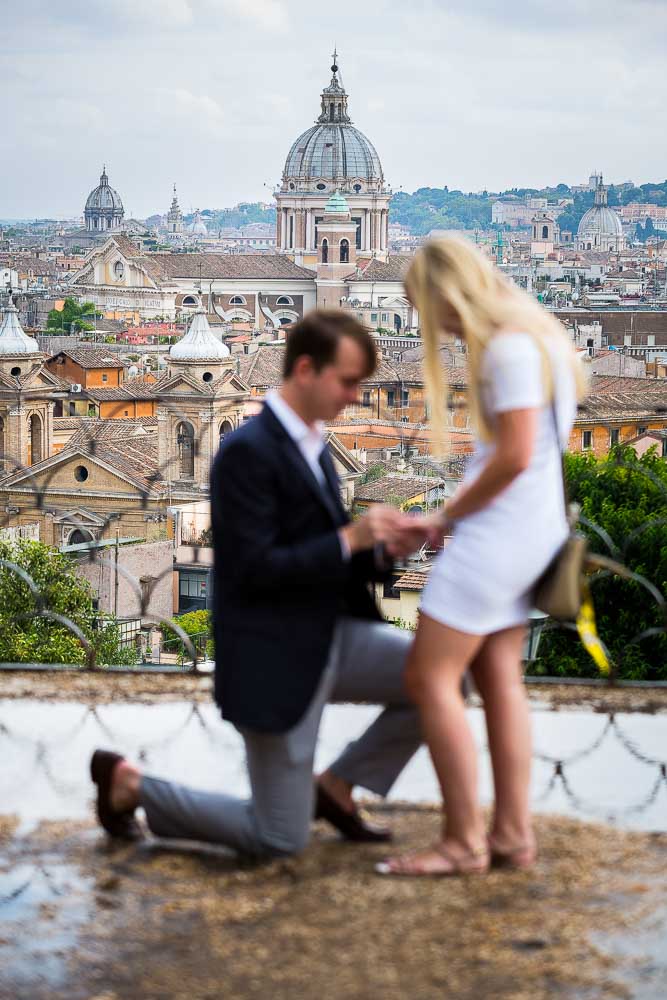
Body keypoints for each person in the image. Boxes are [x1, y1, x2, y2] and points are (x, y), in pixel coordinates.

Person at [91, 310, 429, 856]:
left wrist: (384, 548)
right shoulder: (245, 453)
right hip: (275, 658)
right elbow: (256, 571)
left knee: (441, 680)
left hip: (329, 636)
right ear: (304, 370)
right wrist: (352, 539)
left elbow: (330, 559)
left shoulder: (315, 445)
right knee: (278, 838)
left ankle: (336, 787)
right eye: (347, 382)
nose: (354, 396)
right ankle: (131, 785)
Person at [377, 237, 586, 877]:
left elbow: (516, 454)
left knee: (429, 678)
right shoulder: (543, 338)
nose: (427, 325)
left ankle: (461, 840)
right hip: (534, 532)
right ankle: (511, 837)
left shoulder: (509, 349)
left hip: (498, 539)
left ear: (449, 293)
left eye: (424, 307)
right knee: (499, 683)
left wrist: (445, 517)